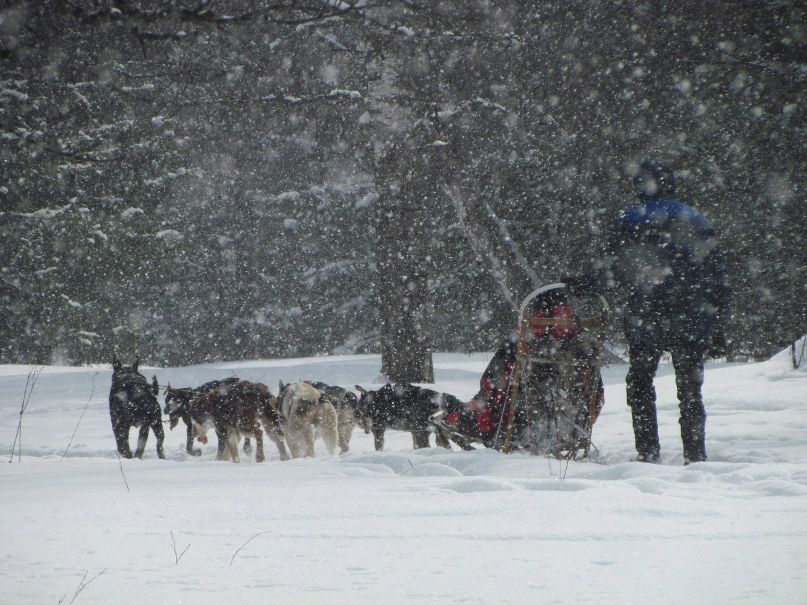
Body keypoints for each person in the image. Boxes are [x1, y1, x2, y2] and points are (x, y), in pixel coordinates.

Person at [567, 160, 729, 464]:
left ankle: (648, 452)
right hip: (692, 318)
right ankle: (695, 454)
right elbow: (717, 278)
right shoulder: (697, 220)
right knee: (691, 390)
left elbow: (613, 272)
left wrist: (583, 285)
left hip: (646, 317)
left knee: (640, 383)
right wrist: (717, 325)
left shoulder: (629, 220)